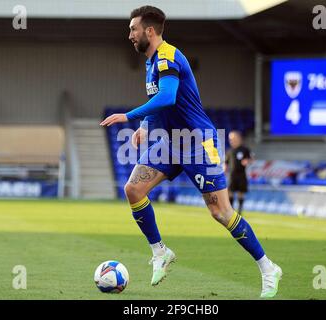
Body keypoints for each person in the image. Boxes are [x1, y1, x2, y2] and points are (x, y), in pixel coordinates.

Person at [100, 5, 282, 298]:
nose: (129, 35)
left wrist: (129, 116)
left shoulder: (169, 56)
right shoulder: (151, 63)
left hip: (198, 143)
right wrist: (146, 125)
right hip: (172, 143)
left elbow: (169, 96)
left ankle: (268, 268)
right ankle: (160, 252)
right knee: (133, 189)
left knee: (220, 212)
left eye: (133, 29)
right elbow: (161, 102)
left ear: (149, 31)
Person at [224, 131, 253, 216]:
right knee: (230, 192)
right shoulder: (230, 151)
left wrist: (248, 161)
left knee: (241, 192)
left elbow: (251, 159)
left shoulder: (245, 149)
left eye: (233, 139)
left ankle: (240, 211)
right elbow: (226, 162)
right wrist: (224, 170)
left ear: (238, 138)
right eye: (230, 139)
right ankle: (231, 210)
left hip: (242, 175)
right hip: (232, 175)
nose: (231, 141)